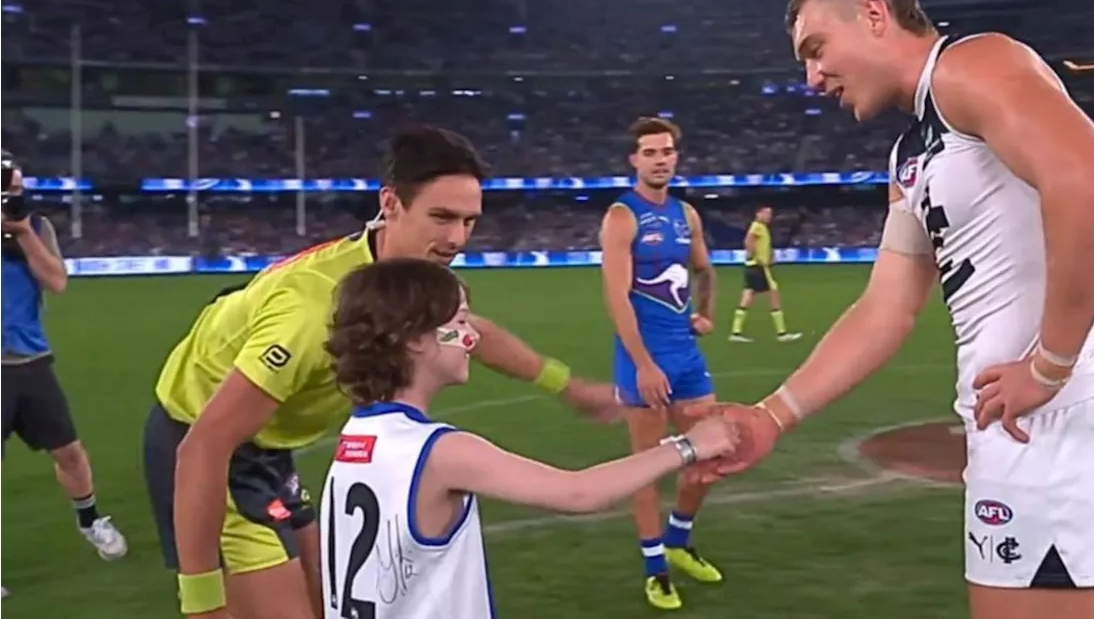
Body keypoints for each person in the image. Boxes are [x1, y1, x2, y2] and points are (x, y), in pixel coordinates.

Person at [689, 0, 1094, 619]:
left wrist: (1050, 366)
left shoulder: (972, 64)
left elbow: (1092, 180)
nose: (814, 77)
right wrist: (772, 416)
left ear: (874, 15)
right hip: (1016, 426)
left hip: (1051, 420)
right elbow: (886, 306)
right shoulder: (911, 156)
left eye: (817, 49)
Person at [141, 125, 620, 619]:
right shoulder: (313, 307)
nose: (457, 238)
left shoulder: (403, 283)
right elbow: (204, 444)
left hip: (269, 448)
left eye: (469, 221)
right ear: (390, 204)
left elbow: (474, 332)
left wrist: (568, 386)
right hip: (204, 443)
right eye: (441, 217)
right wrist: (200, 598)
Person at [320, 258, 738, 619]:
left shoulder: (356, 439)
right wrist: (689, 445)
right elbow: (579, 492)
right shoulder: (441, 452)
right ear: (414, 338)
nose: (471, 338)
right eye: (461, 322)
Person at [599, 117, 723, 610]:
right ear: (634, 159)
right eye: (650, 152)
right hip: (642, 361)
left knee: (710, 455)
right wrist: (644, 364)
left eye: (667, 151)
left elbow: (706, 270)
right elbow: (617, 298)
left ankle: (679, 539)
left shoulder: (684, 215)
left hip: (687, 356)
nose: (660, 159)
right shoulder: (621, 217)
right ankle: (656, 569)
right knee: (647, 469)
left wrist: (706, 314)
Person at [0, 151, 128, 587]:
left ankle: (90, 520)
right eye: (7, 190)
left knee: (69, 451)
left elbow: (56, 281)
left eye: (17, 188)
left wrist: (21, 234)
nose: (14, 196)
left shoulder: (35, 227)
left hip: (31, 361)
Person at [728, 205, 802, 343]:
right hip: (759, 267)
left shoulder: (761, 227)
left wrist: (769, 255)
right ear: (758, 213)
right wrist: (754, 256)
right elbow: (748, 240)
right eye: (766, 213)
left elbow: (761, 244)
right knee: (773, 294)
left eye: (770, 214)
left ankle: (736, 332)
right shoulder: (757, 226)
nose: (769, 216)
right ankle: (781, 333)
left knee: (747, 296)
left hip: (752, 267)